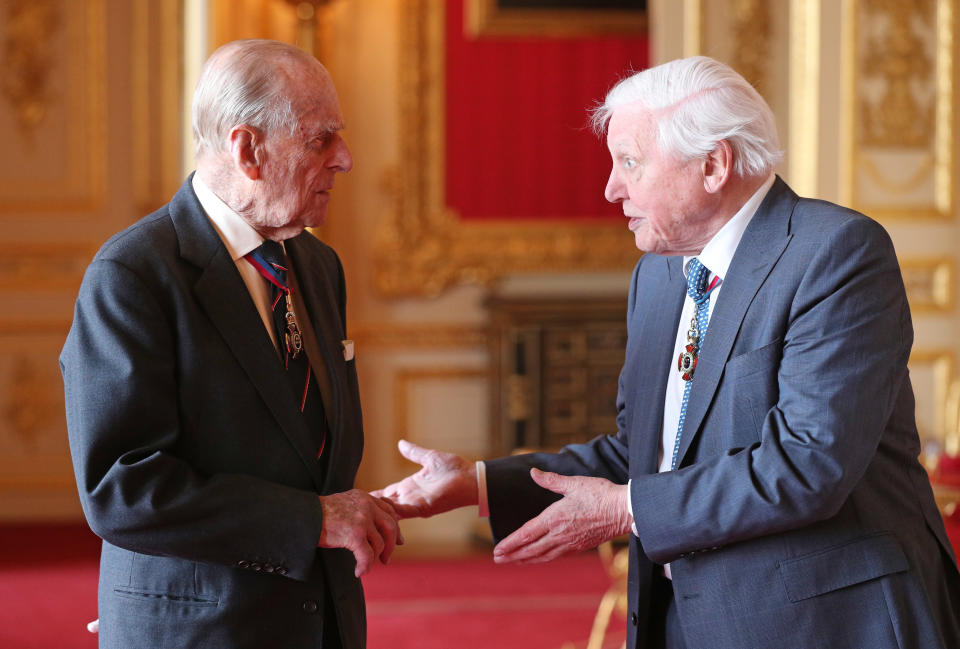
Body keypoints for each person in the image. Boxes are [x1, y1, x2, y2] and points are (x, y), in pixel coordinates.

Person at [374, 56, 960, 649]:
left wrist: (627, 511)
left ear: (713, 164)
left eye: (629, 162)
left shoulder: (834, 253)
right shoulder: (657, 276)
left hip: (828, 621)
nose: (610, 187)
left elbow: (808, 465)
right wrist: (476, 484)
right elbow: (645, 456)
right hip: (684, 618)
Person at [61, 39, 401, 649]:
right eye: (321, 138)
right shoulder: (134, 274)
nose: (345, 159)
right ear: (247, 148)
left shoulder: (319, 267)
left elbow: (300, 449)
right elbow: (121, 486)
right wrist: (314, 520)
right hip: (198, 630)